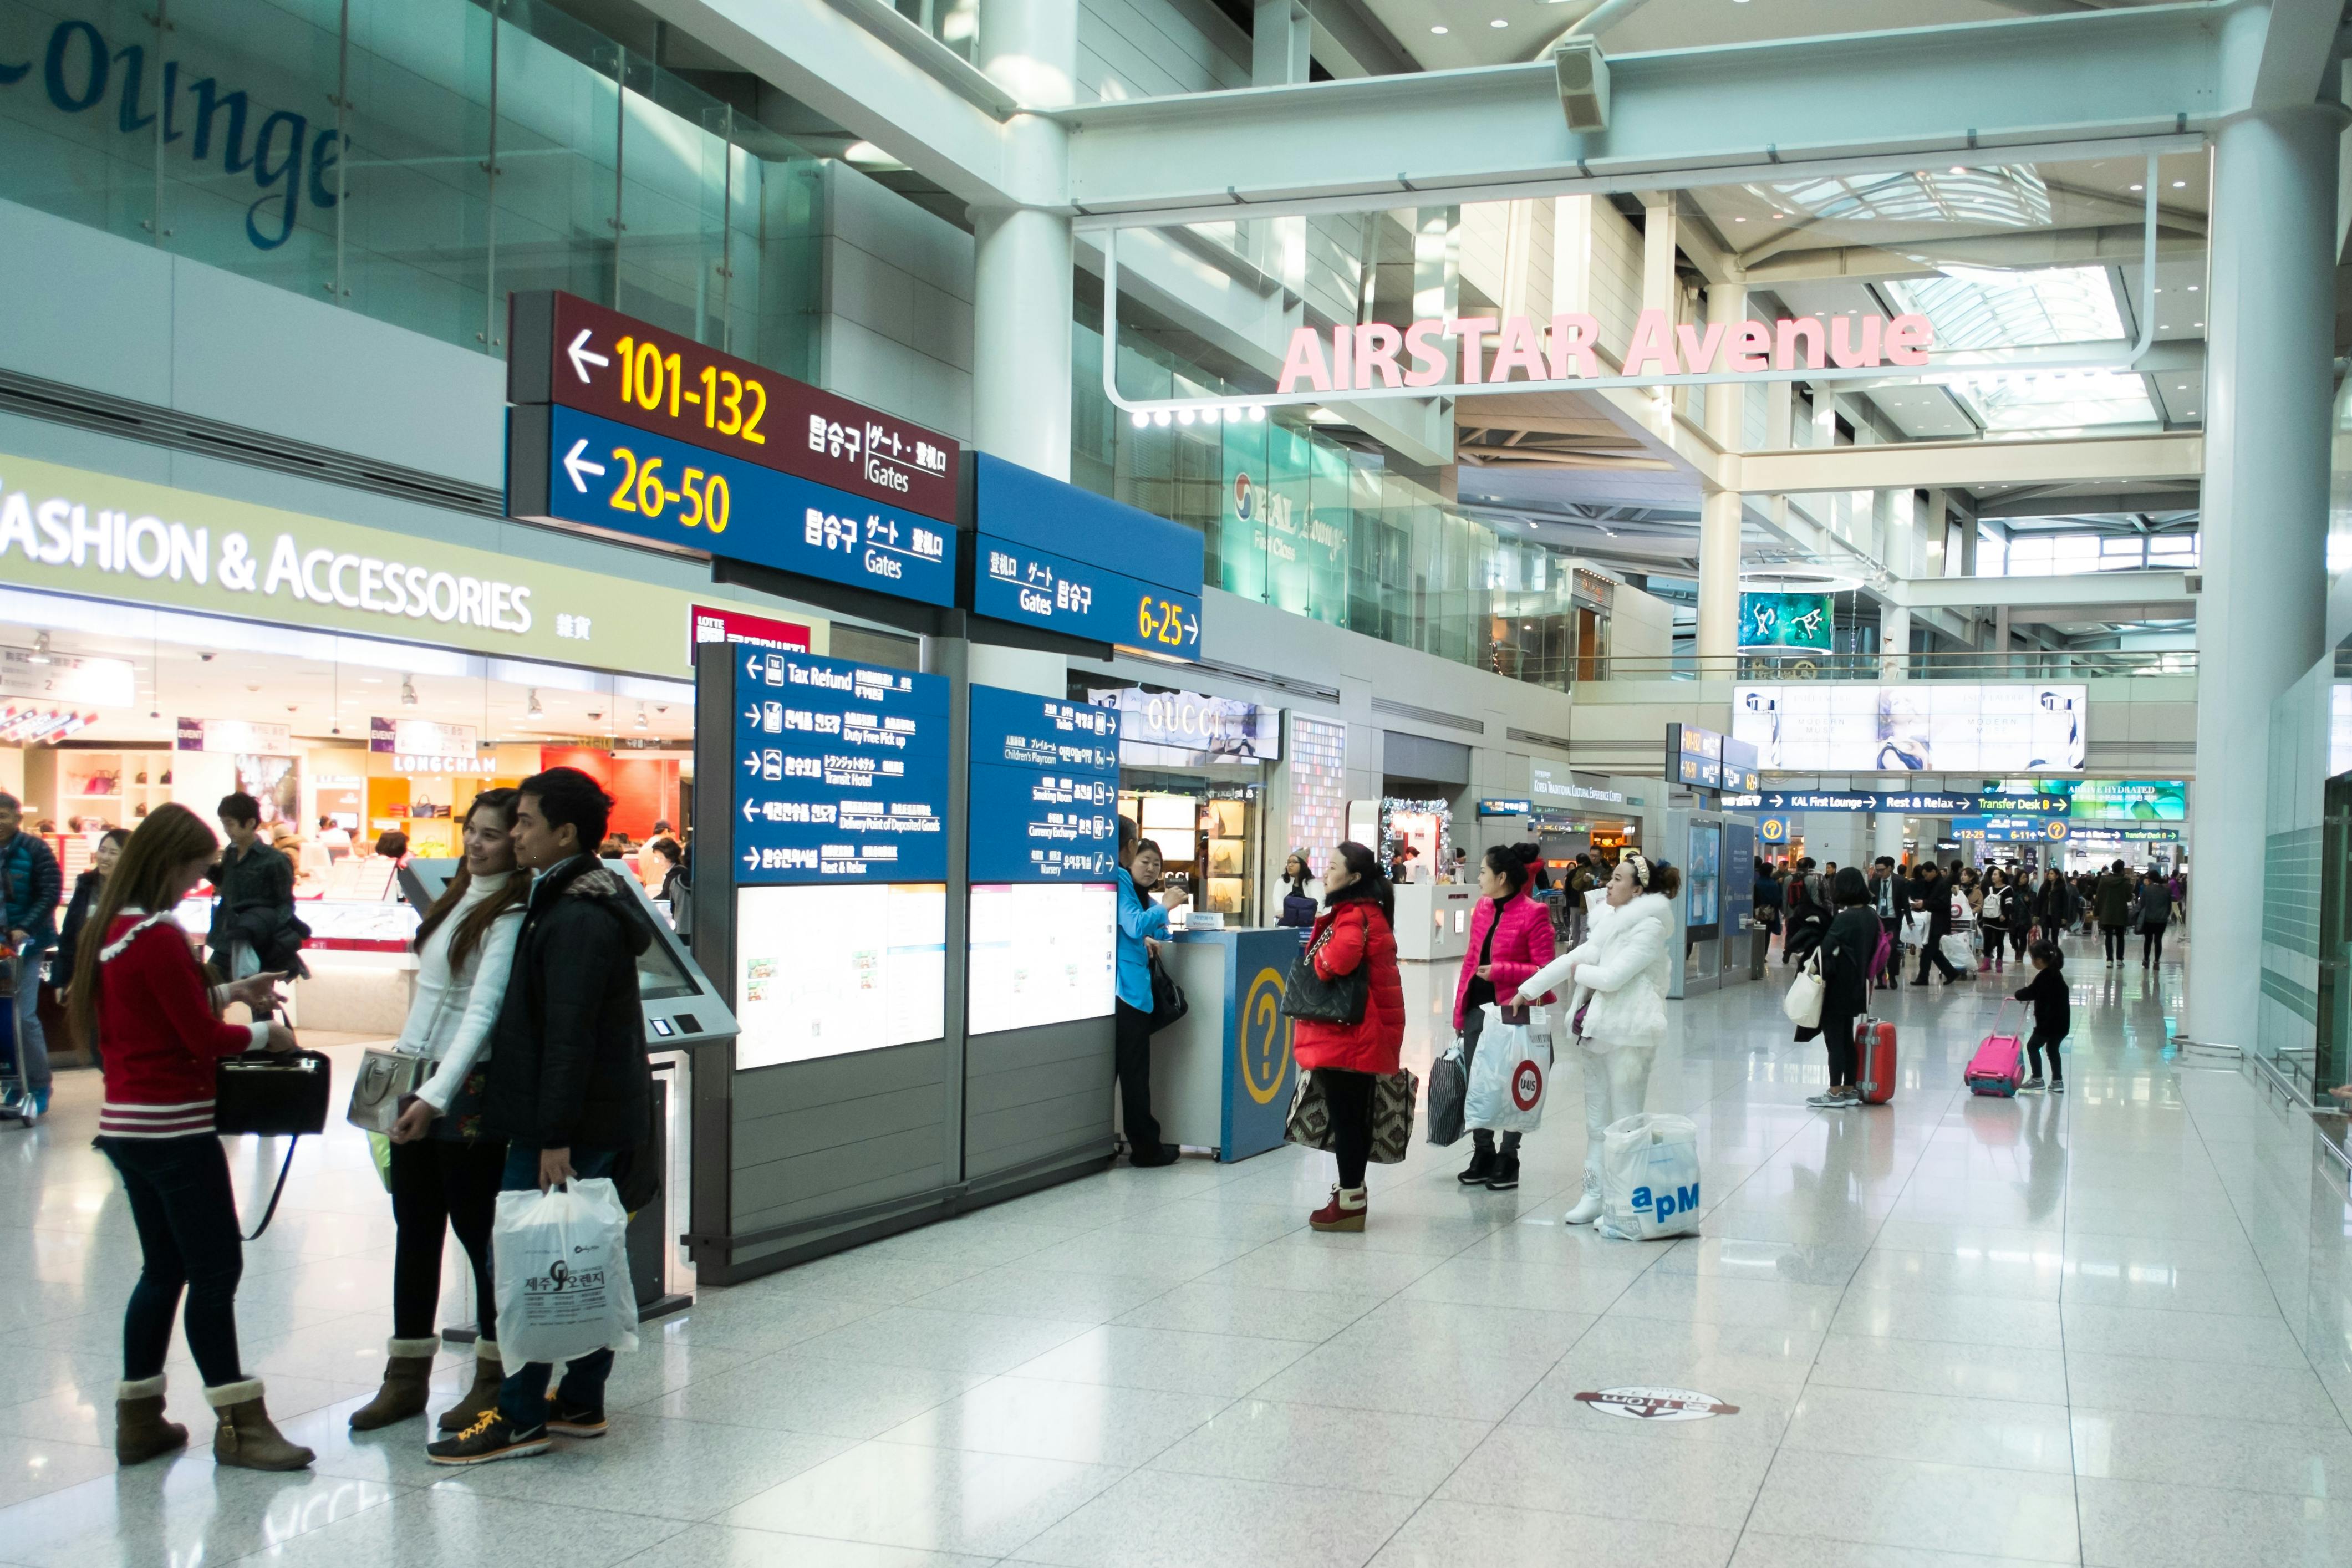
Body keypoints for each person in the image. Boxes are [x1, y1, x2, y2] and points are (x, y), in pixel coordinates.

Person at [427, 767, 655, 1466]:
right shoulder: (572, 895)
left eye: (525, 821)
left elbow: (569, 1034)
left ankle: (521, 1417)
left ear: (565, 833)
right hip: (586, 1119)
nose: (514, 833)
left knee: (532, 1264)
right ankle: (581, 1399)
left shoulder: (577, 915)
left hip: (566, 1127)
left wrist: (553, 1134)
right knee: (579, 1251)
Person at [70, 805, 309, 1470]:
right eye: (198, 872)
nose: (199, 885)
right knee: (214, 1269)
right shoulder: (160, 934)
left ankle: (138, 1416)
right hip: (175, 1128)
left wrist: (232, 987)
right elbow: (197, 1038)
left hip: (126, 1126)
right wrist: (269, 1034)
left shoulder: (109, 930)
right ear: (171, 862)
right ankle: (239, 1423)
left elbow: (152, 1008)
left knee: (163, 1268)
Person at [349, 790, 528, 1434]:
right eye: (471, 831)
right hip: (414, 1079)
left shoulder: (508, 910)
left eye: (492, 834)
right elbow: (431, 999)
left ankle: (493, 1372)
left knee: (478, 1235)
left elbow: (481, 1015)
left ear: (518, 841)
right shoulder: (458, 895)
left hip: (463, 1091)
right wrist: (403, 1075)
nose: (477, 844)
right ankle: (405, 1376)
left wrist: (436, 1094)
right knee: (415, 1229)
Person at [1515, 849, 1678, 1226]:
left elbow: (1611, 978)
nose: (1608, 883)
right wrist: (1528, 989)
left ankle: (1625, 1205)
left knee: (1625, 1123)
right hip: (1595, 1030)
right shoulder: (1609, 921)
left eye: (1619, 879)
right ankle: (1594, 1195)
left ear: (1639, 890)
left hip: (1628, 1035)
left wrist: (1583, 970)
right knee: (1596, 1123)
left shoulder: (1650, 927)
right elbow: (1575, 958)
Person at [1294, 842, 1405, 1233]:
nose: (1326, 872)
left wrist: (1318, 963)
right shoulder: (1370, 911)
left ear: (1354, 878)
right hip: (1365, 1031)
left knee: (1348, 1118)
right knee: (1354, 1116)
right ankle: (1351, 1196)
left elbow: (1340, 958)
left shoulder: (1352, 914)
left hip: (1351, 1035)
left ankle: (1350, 1201)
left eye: (1334, 867)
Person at [1450, 844, 1557, 1192]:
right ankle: (1482, 1151)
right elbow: (1470, 960)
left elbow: (1546, 971)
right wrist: (1459, 1012)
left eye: (1483, 872)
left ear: (1501, 877)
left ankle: (1508, 1157)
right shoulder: (1481, 908)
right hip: (1478, 1010)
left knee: (1514, 1083)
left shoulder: (1534, 913)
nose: (1478, 878)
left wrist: (1500, 971)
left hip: (1515, 1011)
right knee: (1477, 1083)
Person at [1110, 817, 1183, 1168]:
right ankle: (1147, 1148)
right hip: (1128, 993)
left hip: (1114, 991)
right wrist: (1166, 904)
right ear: (1129, 847)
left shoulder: (1104, 876)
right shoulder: (1121, 878)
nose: (1149, 866)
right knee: (1135, 1074)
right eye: (1142, 853)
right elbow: (1133, 923)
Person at [0, 790, 62, 1121]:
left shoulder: (35, 849)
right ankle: (8, 1083)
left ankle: (38, 1085)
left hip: (26, 947)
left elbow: (50, 891)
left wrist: (25, 927)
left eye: (3, 817)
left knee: (22, 1017)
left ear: (17, 819)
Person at [208, 793, 300, 1004]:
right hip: (227, 935)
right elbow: (227, 885)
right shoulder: (230, 854)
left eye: (230, 824)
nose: (226, 830)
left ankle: (268, 1035)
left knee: (260, 1002)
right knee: (211, 992)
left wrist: (269, 930)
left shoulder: (274, 860)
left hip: (257, 939)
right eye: (223, 824)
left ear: (250, 823)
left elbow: (286, 903)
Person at [1804, 868, 1883, 1109]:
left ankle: (1834, 1091)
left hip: (1838, 985)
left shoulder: (1846, 917)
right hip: (1858, 984)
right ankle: (1850, 1088)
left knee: (1834, 1039)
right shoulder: (1871, 915)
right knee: (1846, 1038)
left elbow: (1825, 949)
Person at [54, 826, 130, 1015]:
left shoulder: (137, 892)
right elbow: (69, 935)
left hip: (121, 973)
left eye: (113, 853)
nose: (104, 857)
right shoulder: (86, 886)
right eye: (102, 850)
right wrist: (62, 979)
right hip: (87, 972)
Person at [2014, 938, 2070, 1093]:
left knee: (2032, 1047)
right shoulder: (2057, 976)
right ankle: (2057, 1081)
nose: (2032, 962)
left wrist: (2018, 994)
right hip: (2062, 1024)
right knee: (2053, 1050)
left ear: (2039, 960)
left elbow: (2030, 992)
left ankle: (2037, 1078)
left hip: (2047, 1024)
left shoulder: (2044, 977)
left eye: (2032, 959)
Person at [1909, 859, 1963, 985]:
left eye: (1927, 875)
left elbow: (1942, 904)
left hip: (1938, 922)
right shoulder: (1931, 883)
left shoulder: (1943, 884)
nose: (1925, 878)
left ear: (1933, 871)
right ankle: (1951, 973)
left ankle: (1923, 978)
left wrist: (1925, 904)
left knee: (1928, 951)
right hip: (1930, 921)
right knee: (1932, 951)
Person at [2094, 858, 2133, 965]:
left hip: (2106, 912)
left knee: (2109, 936)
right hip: (2120, 913)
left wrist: (2096, 912)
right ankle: (2120, 960)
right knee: (2120, 937)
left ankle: (2109, 960)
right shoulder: (2125, 882)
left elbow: (2099, 896)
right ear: (2122, 870)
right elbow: (2129, 898)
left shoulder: (2104, 880)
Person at [2133, 866, 2173, 969]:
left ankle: (2146, 960)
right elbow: (2169, 906)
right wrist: (2166, 915)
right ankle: (2157, 962)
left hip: (2149, 919)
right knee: (2158, 941)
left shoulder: (2147, 890)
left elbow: (2141, 905)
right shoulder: (2166, 890)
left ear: (2150, 879)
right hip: (2161, 920)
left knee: (2148, 940)